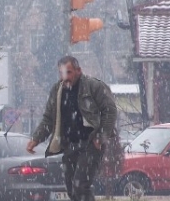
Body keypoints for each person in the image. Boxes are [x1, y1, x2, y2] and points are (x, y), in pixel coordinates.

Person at [26, 56, 118, 201]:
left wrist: (100, 137)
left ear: (78, 71)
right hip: (69, 145)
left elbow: (110, 111)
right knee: (71, 188)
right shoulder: (57, 90)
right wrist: (36, 138)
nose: (65, 77)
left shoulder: (93, 86)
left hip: (90, 144)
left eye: (68, 72)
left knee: (81, 185)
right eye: (62, 73)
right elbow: (49, 118)